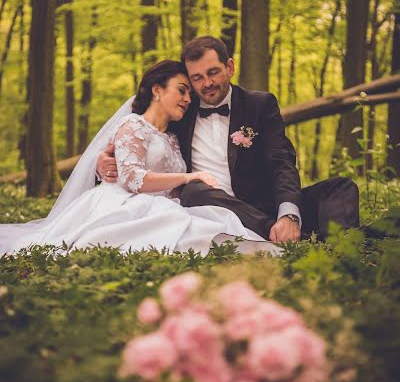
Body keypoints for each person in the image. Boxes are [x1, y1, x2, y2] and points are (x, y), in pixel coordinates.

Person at [0, 60, 282, 257]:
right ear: (157, 90)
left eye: (188, 92)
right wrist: (188, 177)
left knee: (205, 221)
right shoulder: (132, 125)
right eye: (181, 90)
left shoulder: (173, 137)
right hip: (124, 201)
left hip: (163, 202)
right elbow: (133, 177)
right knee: (173, 229)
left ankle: (255, 249)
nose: (187, 98)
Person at [98, 37, 360, 242]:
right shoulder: (181, 112)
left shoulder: (259, 104)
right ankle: (277, 234)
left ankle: (336, 243)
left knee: (341, 187)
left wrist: (289, 214)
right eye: (197, 78)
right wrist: (103, 162)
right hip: (211, 204)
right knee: (194, 190)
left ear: (230, 67)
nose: (206, 83)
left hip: (266, 204)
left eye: (213, 72)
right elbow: (137, 137)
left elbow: (282, 162)